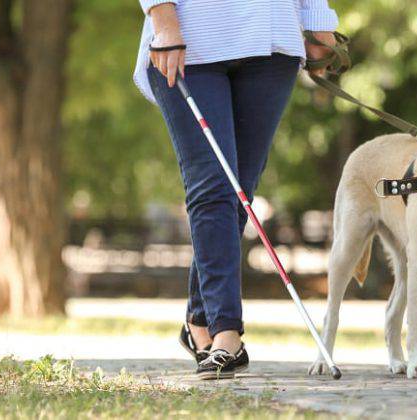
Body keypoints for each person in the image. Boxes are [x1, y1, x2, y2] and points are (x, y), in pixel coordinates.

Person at [134, 0, 339, 379]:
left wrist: (319, 24)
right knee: (213, 186)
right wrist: (163, 21)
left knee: (237, 193)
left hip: (272, 41)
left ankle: (200, 318)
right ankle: (226, 334)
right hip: (190, 38)